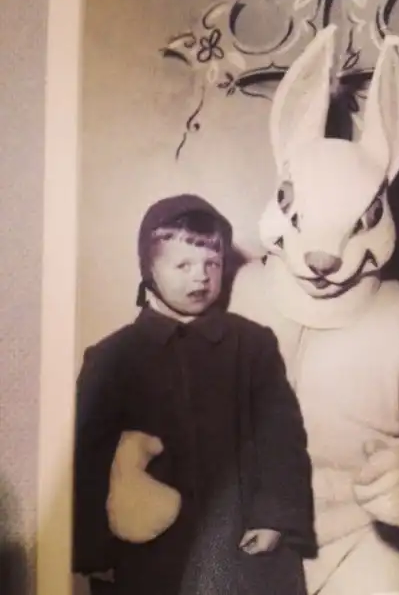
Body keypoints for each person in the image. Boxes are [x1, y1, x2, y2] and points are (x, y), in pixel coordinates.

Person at [72, 193, 315, 595]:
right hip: (150, 552)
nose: (201, 277)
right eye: (183, 265)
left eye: (212, 264)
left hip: (242, 542)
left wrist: (275, 516)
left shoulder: (252, 345)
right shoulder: (112, 357)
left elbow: (281, 438)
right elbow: (87, 460)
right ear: (149, 270)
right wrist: (97, 553)